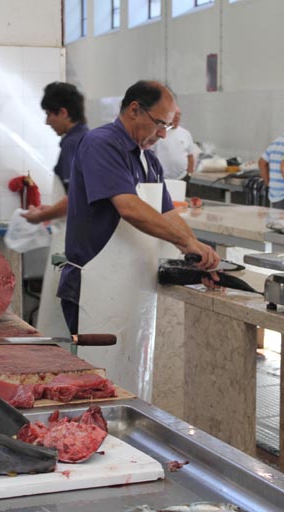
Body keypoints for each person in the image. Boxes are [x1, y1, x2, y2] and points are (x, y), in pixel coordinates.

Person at [58, 80, 220, 335]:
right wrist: (186, 242)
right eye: (161, 124)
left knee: (128, 373)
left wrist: (197, 252)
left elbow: (167, 214)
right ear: (134, 110)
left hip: (131, 287)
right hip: (95, 287)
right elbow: (130, 207)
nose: (164, 134)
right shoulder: (102, 143)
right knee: (97, 370)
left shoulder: (150, 161)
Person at [25, 82, 89, 224]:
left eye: (48, 114)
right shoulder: (87, 137)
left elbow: (76, 198)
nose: (47, 122)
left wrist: (41, 217)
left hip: (73, 232)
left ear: (63, 113)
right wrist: (51, 210)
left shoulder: (73, 144)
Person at [150, 108, 198, 181]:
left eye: (179, 114)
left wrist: (189, 174)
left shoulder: (185, 133)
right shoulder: (159, 133)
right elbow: (150, 154)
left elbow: (190, 156)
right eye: (175, 114)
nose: (177, 117)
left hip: (182, 178)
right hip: (161, 178)